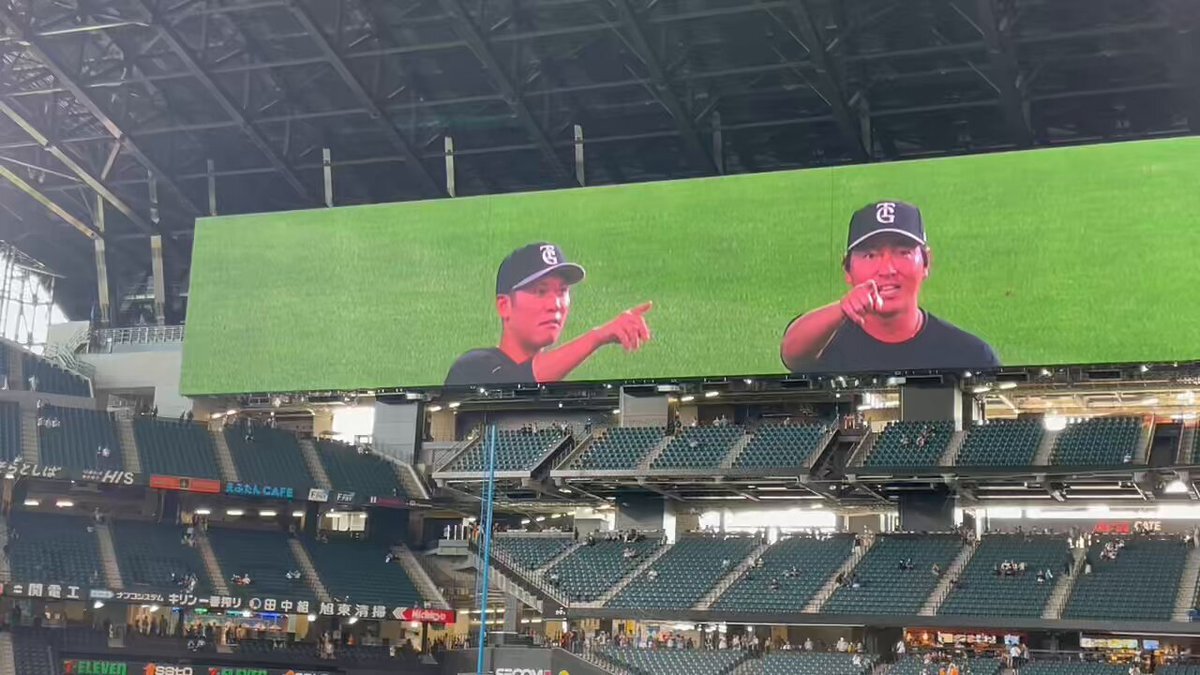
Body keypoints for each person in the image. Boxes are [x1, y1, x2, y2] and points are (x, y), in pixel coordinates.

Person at [781, 201, 1000, 373]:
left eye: (903, 252)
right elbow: (792, 354)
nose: (887, 269)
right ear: (847, 269)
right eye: (870, 255)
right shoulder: (824, 339)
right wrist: (841, 309)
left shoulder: (972, 357)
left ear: (926, 263)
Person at [444, 242, 653, 386]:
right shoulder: (471, 368)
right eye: (541, 291)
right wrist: (597, 337)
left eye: (562, 291)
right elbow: (519, 382)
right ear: (504, 306)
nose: (555, 304)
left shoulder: (556, 382)